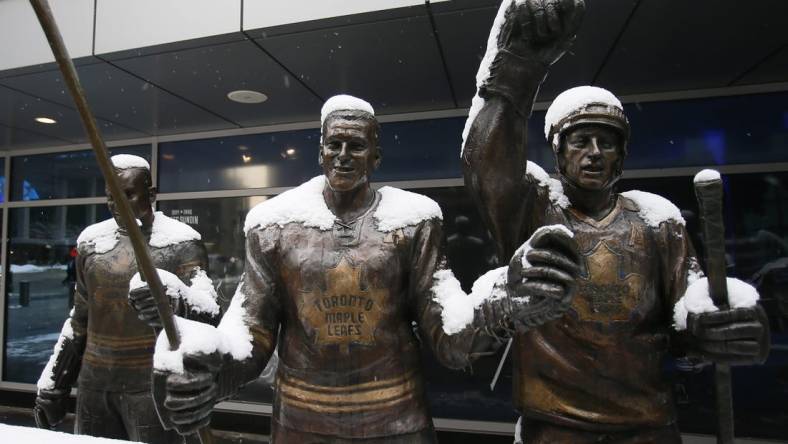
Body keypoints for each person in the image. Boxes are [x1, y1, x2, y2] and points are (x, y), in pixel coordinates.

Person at [143, 94, 580, 443]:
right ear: (320, 151)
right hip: (302, 420)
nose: (344, 155)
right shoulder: (272, 224)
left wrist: (502, 301)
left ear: (376, 156)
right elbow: (252, 333)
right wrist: (212, 374)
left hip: (396, 418)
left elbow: (445, 333)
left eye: (357, 145)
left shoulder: (414, 220)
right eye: (335, 144)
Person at [461, 1, 770, 442]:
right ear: (558, 153)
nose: (594, 152)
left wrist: (718, 327)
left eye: (606, 143)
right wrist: (517, 68)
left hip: (646, 427)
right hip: (556, 427)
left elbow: (688, 315)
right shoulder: (533, 206)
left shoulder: (657, 220)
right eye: (581, 140)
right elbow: (485, 163)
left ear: (621, 157)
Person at [34, 155, 219, 443]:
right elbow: (79, 320)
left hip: (151, 387)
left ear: (152, 194)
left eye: (129, 194)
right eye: (111, 197)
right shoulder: (91, 243)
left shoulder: (180, 243)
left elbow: (209, 311)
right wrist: (55, 384)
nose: (118, 204)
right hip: (95, 385)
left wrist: (174, 298)